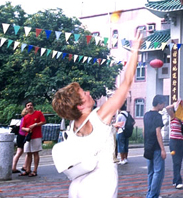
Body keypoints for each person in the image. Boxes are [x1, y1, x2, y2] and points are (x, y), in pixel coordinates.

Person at [51, 32, 142, 198]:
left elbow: (90, 141)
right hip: (99, 186)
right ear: (80, 105)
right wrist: (135, 50)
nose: (88, 92)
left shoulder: (73, 126)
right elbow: (127, 82)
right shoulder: (99, 117)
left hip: (77, 188)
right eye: (84, 93)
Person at [143, 95, 167, 198]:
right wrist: (163, 149)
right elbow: (158, 133)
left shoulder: (146, 115)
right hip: (156, 147)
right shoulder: (157, 116)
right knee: (158, 172)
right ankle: (152, 195)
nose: (164, 105)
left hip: (148, 147)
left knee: (151, 172)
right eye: (163, 103)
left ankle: (151, 194)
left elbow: (144, 131)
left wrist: (146, 144)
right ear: (159, 104)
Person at [20, 101, 46, 177]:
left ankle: (35, 170)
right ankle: (27, 169)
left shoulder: (38, 113)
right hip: (28, 136)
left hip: (36, 136)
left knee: (35, 153)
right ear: (26, 108)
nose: (30, 106)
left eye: (31, 105)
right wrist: (27, 129)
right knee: (28, 153)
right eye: (28, 105)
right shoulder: (26, 117)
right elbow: (22, 127)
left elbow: (43, 121)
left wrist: (35, 124)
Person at [12, 108, 29, 173]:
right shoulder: (26, 119)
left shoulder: (22, 119)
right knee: (27, 152)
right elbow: (23, 128)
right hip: (24, 136)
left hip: (20, 136)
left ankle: (13, 167)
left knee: (19, 152)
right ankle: (25, 166)